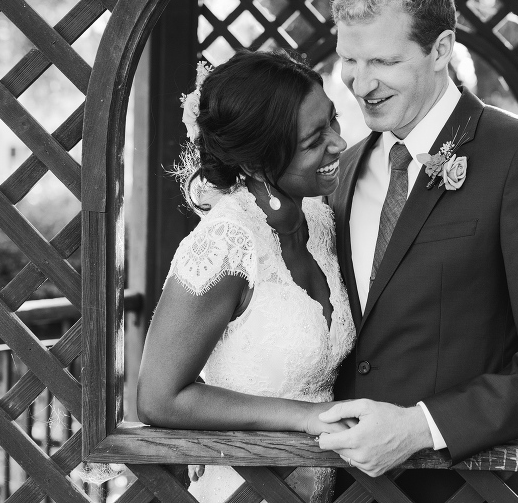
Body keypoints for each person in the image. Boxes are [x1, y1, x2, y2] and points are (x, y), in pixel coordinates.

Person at [318, 0, 518, 503]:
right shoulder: (346, 170)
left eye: (383, 61)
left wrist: (422, 427)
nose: (360, 83)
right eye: (348, 61)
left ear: (441, 51)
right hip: (348, 490)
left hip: (474, 490)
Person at [136, 49, 356, 503]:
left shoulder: (319, 219)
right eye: (315, 140)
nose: (339, 143)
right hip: (246, 489)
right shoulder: (225, 243)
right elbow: (160, 397)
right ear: (258, 164)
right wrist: (305, 416)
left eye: (332, 121)